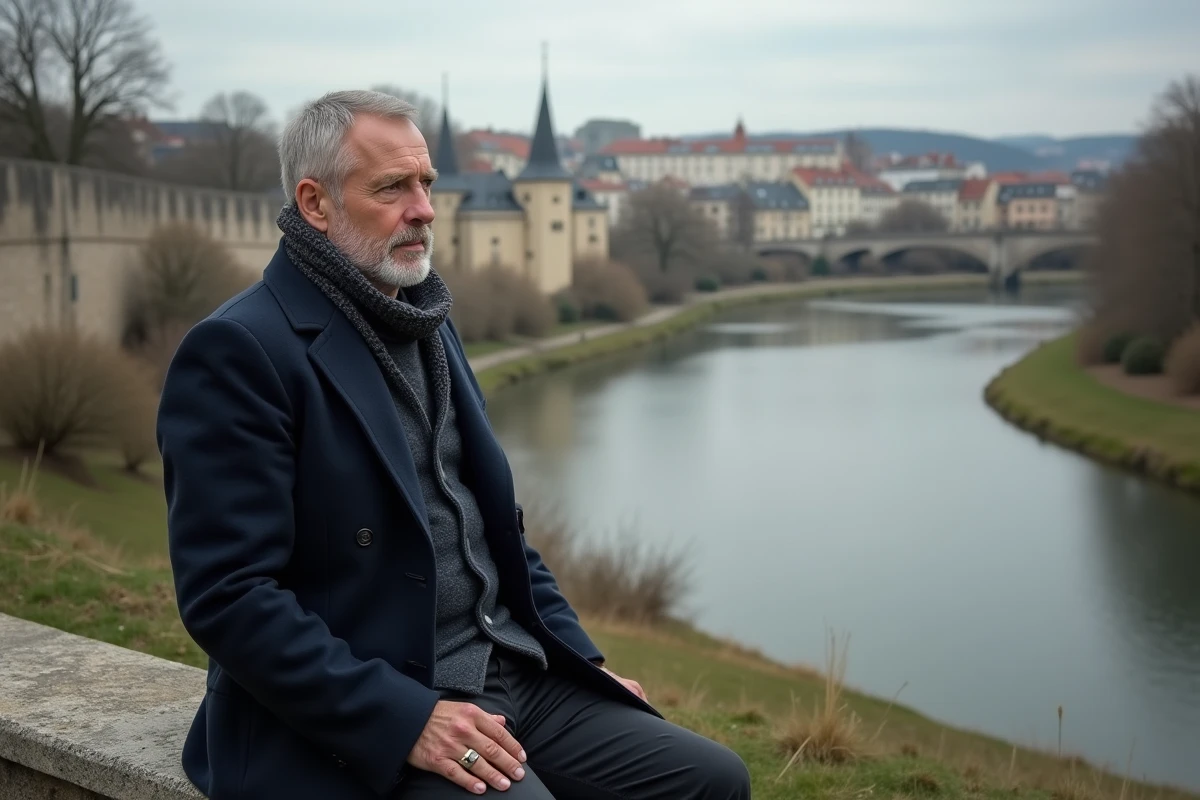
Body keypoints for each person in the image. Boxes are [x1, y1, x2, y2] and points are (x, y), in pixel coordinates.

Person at [157, 89, 752, 800]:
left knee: (712, 782)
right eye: (393, 188)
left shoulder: (427, 318)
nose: (425, 209)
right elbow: (229, 597)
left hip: (512, 671)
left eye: (427, 184)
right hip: (368, 708)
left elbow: (497, 532)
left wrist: (582, 662)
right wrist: (408, 719)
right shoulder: (240, 350)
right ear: (315, 204)